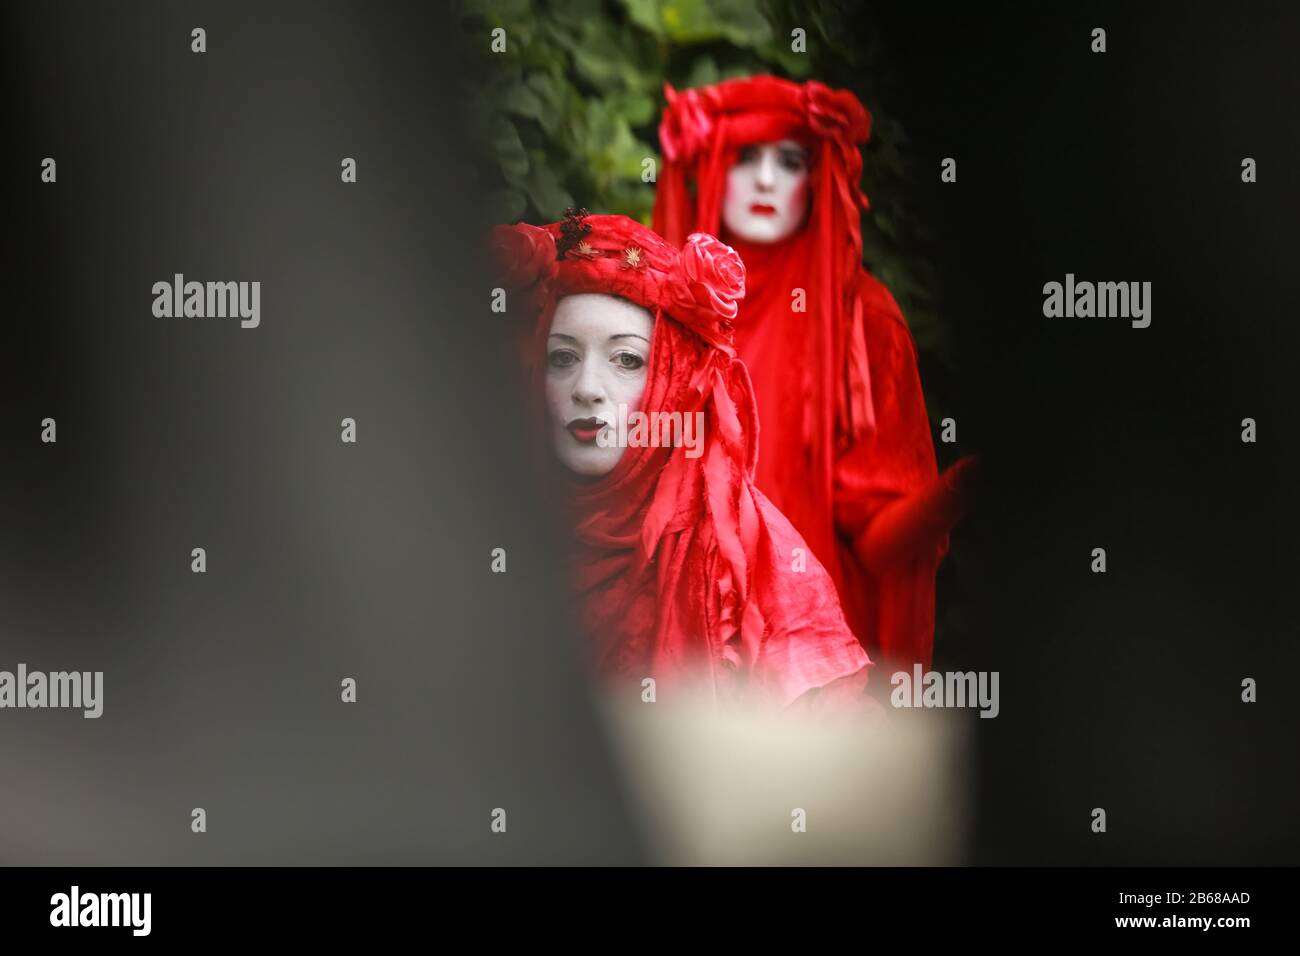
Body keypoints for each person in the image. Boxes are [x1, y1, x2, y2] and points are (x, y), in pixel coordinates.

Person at [489, 210, 875, 713]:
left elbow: (829, 769)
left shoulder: (758, 565)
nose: (586, 389)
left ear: (672, 376)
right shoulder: (480, 524)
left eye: (627, 360)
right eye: (562, 357)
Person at [653, 75, 975, 671]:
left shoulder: (866, 323)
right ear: (712, 168)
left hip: (816, 668)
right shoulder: (660, 313)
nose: (767, 180)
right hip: (687, 658)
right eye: (746, 157)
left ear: (819, 176)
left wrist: (949, 496)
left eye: (792, 160)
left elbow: (878, 542)